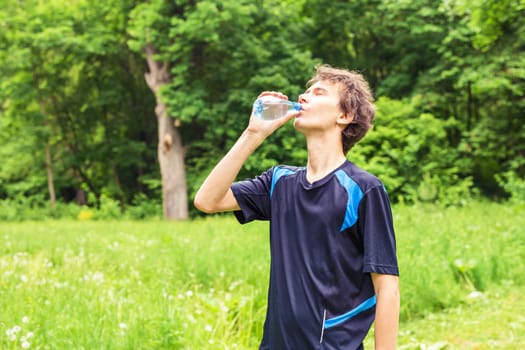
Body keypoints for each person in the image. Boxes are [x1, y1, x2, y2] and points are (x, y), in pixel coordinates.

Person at [194, 64, 400, 350]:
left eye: (318, 92)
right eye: (305, 91)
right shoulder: (279, 181)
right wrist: (253, 133)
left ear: (345, 116)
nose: (303, 96)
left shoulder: (364, 189)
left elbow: (387, 286)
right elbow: (207, 200)